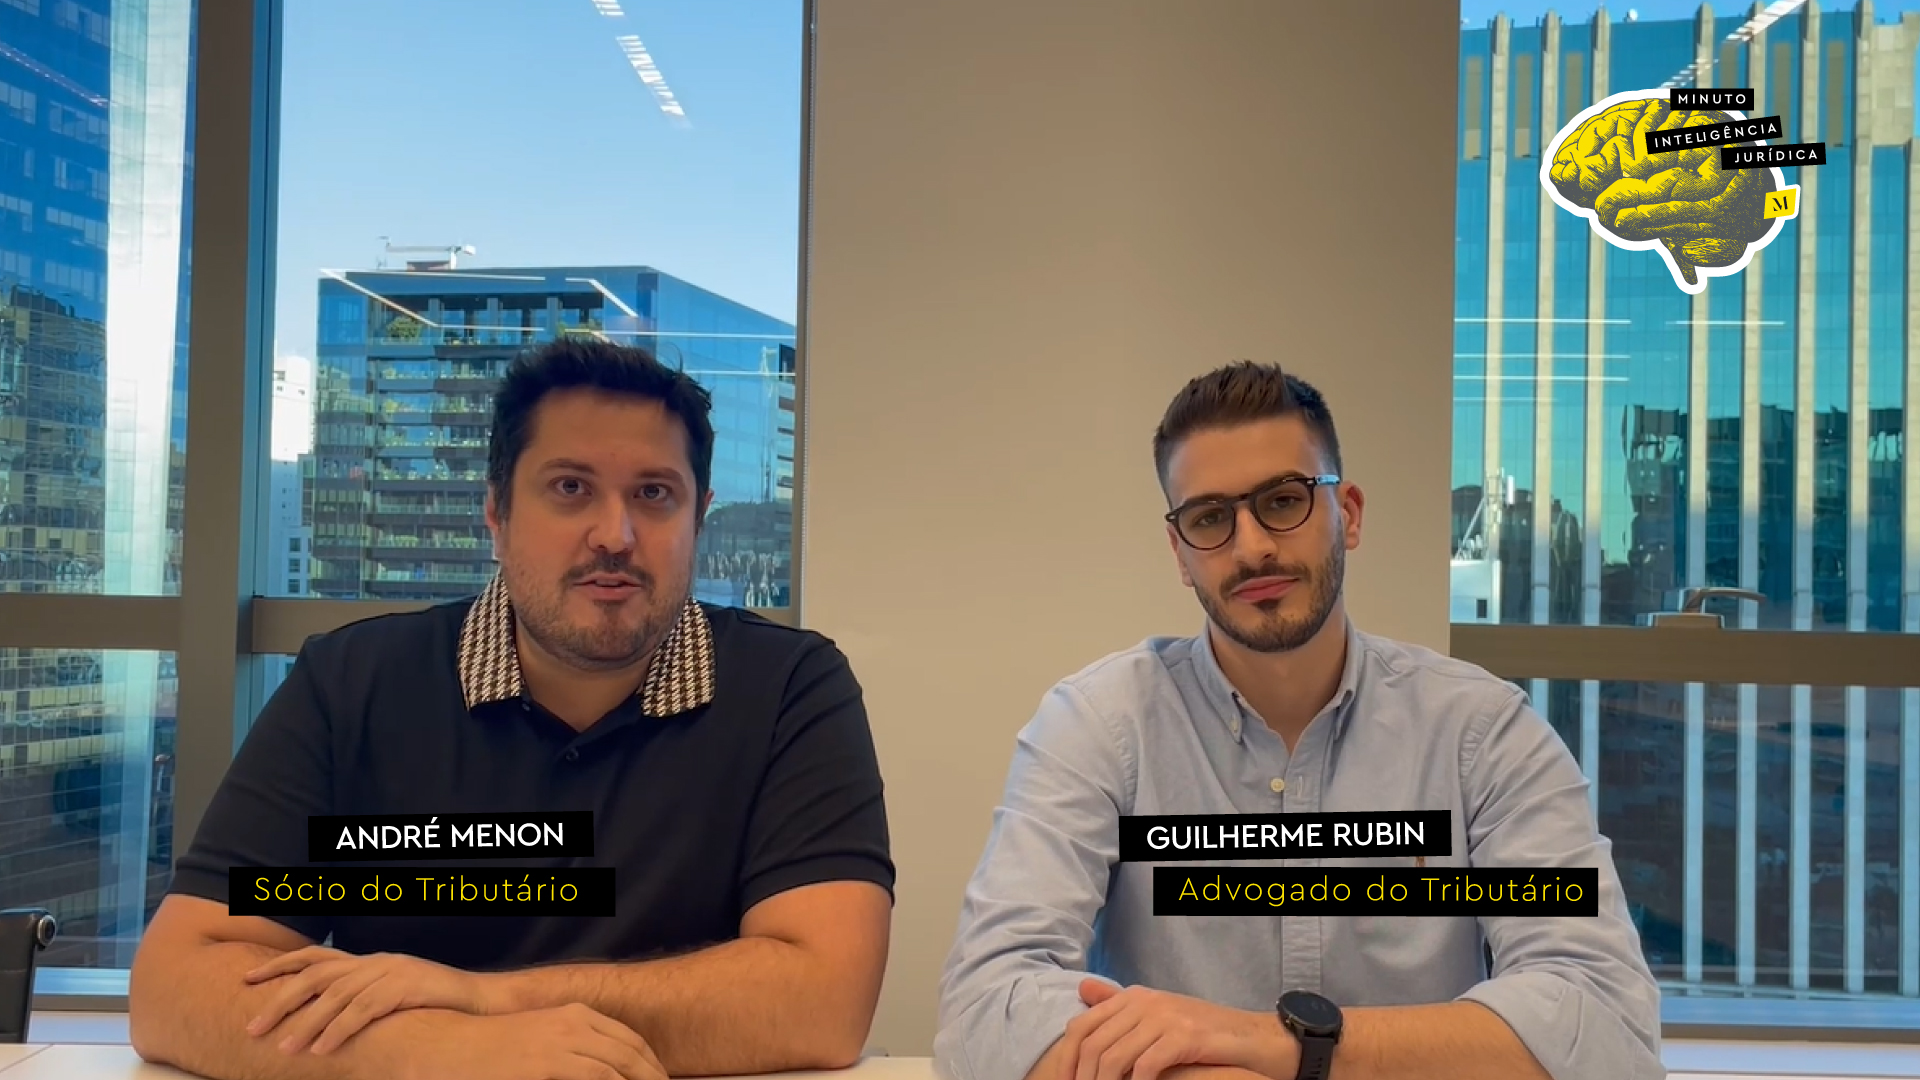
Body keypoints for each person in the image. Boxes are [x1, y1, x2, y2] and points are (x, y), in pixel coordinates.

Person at [129, 338, 894, 1080]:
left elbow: (822, 1001)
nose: (615, 536)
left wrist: (488, 1002)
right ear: (495, 513)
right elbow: (178, 982)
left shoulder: (787, 689)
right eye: (570, 488)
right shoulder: (359, 684)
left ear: (699, 517)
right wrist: (434, 1052)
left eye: (654, 495)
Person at [934, 361, 1662, 1080]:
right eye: (1210, 518)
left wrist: (1284, 1046)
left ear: (1347, 514)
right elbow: (985, 1013)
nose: (1251, 546)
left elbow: (1604, 1024)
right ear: (1181, 554)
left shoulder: (1480, 734)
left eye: (1283, 501)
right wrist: (1219, 1069)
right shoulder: (1098, 726)